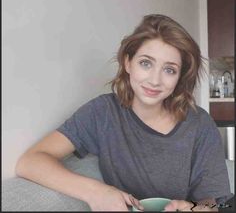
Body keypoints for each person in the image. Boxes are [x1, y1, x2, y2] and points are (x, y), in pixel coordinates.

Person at [15, 14, 232, 211]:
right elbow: (30, 161)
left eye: (169, 70)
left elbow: (213, 202)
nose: (155, 80)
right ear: (128, 63)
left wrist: (195, 208)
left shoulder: (199, 123)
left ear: (180, 77)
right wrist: (96, 191)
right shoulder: (102, 113)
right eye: (146, 63)